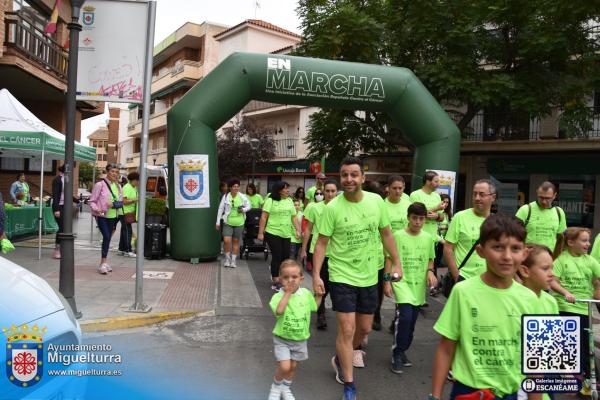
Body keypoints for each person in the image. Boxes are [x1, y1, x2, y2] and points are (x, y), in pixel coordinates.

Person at [312, 156, 402, 400]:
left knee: (363, 328)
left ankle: (341, 355)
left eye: (354, 174)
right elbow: (321, 244)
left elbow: (386, 233)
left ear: (363, 177)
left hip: (369, 274)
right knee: (347, 328)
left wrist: (397, 262)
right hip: (341, 274)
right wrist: (316, 275)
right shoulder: (332, 208)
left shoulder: (376, 202)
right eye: (344, 175)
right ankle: (349, 385)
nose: (349, 179)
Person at [429, 214, 541, 400]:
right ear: (481, 251)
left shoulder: (530, 299)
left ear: (525, 253)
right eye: (497, 247)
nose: (506, 256)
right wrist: (435, 395)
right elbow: (446, 349)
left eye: (515, 248)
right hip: (467, 392)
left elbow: (535, 362)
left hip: (510, 393)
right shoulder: (463, 292)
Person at [550, 227, 600, 392]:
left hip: (584, 307)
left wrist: (597, 289)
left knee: (587, 344)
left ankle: (591, 379)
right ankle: (574, 377)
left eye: (588, 240)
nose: (588, 244)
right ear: (571, 242)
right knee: (572, 344)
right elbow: (553, 282)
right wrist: (566, 292)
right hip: (566, 307)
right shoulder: (561, 260)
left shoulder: (589, 261)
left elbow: (598, 278)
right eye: (584, 241)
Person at [268, 259, 321, 400]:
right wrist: (287, 293)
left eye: (294, 277)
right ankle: (275, 388)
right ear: (280, 280)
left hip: (300, 339)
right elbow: (279, 311)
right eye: (286, 277)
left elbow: (314, 307)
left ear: (301, 279)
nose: (290, 280)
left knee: (292, 367)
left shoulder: (305, 294)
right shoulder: (277, 296)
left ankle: (285, 388)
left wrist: (319, 296)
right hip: (282, 339)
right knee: (284, 367)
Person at [300, 179, 338, 330]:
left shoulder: (341, 207)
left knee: (333, 286)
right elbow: (308, 229)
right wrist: (303, 249)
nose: (329, 194)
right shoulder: (314, 207)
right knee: (321, 284)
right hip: (319, 252)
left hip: (337, 253)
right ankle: (321, 314)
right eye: (326, 191)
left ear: (337, 192)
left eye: (332, 191)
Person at [444, 179, 497, 282]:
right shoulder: (460, 217)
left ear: (493, 197)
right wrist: (456, 276)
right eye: (474, 194)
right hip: (464, 278)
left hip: (488, 280)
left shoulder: (497, 222)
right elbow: (448, 249)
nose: (477, 198)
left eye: (482, 194)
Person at [258, 181, 301, 290]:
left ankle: (280, 275)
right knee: (277, 256)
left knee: (285, 257)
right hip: (272, 232)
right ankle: (276, 281)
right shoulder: (270, 201)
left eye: (288, 188)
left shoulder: (290, 201)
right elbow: (263, 217)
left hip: (286, 233)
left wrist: (298, 230)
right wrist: (260, 233)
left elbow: (294, 217)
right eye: (285, 189)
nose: (288, 191)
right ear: (279, 190)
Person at [89, 164, 123, 274]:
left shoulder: (118, 186)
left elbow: (120, 201)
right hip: (102, 215)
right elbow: (91, 201)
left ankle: (103, 262)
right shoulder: (100, 185)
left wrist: (115, 204)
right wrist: (98, 209)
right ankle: (103, 263)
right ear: (107, 172)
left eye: (117, 172)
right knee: (107, 236)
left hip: (113, 215)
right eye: (113, 171)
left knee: (107, 239)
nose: (115, 174)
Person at [516, 181, 566, 254]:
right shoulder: (526, 210)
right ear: (537, 193)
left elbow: (561, 239)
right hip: (528, 256)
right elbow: (513, 235)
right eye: (541, 197)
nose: (544, 201)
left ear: (554, 195)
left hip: (549, 256)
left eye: (547, 198)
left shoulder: (559, 212)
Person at [216, 179, 251, 268]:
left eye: (237, 186)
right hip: (228, 222)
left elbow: (249, 206)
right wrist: (217, 222)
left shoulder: (242, 196)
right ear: (230, 187)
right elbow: (220, 209)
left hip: (239, 223)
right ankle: (227, 259)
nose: (236, 188)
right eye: (234, 186)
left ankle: (233, 261)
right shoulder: (226, 196)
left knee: (236, 242)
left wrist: (243, 210)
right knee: (226, 241)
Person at [409, 171, 444, 238]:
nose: (438, 184)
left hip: (433, 237)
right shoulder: (415, 195)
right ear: (428, 182)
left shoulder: (437, 196)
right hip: (418, 236)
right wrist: (436, 208)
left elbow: (442, 217)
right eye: (436, 181)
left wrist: (437, 216)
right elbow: (418, 215)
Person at [118, 172, 139, 257]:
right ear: (133, 180)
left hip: (128, 212)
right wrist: (136, 200)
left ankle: (121, 249)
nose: (138, 182)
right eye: (137, 180)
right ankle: (128, 250)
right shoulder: (127, 187)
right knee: (128, 231)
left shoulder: (134, 188)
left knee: (124, 230)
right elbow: (124, 201)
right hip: (124, 212)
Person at [51, 165, 66, 259]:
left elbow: (67, 194)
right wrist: (56, 209)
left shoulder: (66, 179)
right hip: (58, 206)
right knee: (62, 227)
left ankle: (61, 247)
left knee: (65, 227)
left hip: (65, 206)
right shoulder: (57, 180)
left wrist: (80, 201)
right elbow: (55, 195)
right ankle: (57, 249)